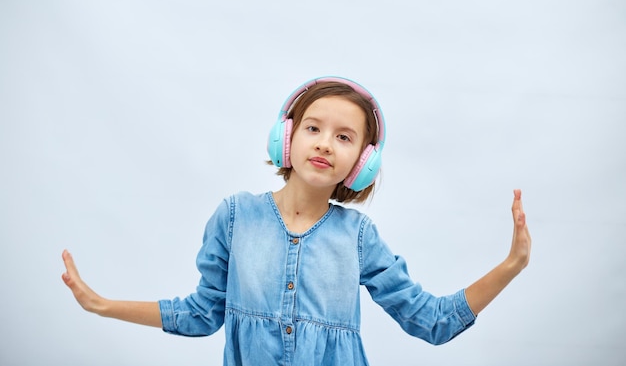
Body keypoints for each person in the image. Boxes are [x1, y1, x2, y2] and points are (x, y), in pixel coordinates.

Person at [62, 76, 531, 366]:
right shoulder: (234, 217)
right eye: (313, 128)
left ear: (362, 164)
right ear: (285, 138)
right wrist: (102, 305)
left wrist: (512, 264)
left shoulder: (359, 238)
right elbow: (201, 314)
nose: (325, 143)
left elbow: (433, 322)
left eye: (344, 137)